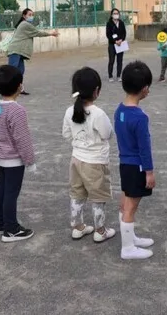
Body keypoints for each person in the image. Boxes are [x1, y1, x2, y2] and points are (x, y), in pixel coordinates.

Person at [63, 67, 116, 243]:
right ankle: (100, 230)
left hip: (76, 160)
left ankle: (77, 227)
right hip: (95, 163)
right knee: (98, 197)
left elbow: (66, 135)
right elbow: (107, 134)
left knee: (77, 193)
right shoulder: (98, 113)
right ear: (96, 91)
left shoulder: (70, 111)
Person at [0, 65, 37, 242]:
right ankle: (11, 229)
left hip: (0, 156)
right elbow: (22, 138)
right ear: (19, 86)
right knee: (11, 193)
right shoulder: (17, 110)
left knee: (1, 189)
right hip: (14, 159)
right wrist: (30, 160)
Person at [115, 61, 156, 260]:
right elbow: (144, 148)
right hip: (136, 165)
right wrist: (149, 171)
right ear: (145, 89)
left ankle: (130, 238)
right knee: (131, 206)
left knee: (125, 203)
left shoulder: (120, 110)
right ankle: (127, 248)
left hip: (124, 163)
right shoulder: (140, 117)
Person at [6, 8, 59, 95]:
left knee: (20, 71)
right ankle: (3, 88)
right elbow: (37, 32)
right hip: (15, 50)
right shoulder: (25, 24)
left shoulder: (24, 24)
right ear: (24, 16)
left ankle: (19, 89)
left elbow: (35, 32)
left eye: (32, 15)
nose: (31, 17)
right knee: (12, 71)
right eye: (29, 15)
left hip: (20, 51)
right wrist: (51, 34)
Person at [106, 8, 127, 82]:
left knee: (120, 61)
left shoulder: (121, 23)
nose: (116, 15)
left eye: (117, 13)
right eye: (114, 13)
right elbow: (108, 35)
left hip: (121, 44)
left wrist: (121, 40)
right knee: (111, 60)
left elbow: (124, 33)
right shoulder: (109, 23)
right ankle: (110, 76)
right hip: (112, 45)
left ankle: (118, 76)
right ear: (112, 15)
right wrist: (115, 41)